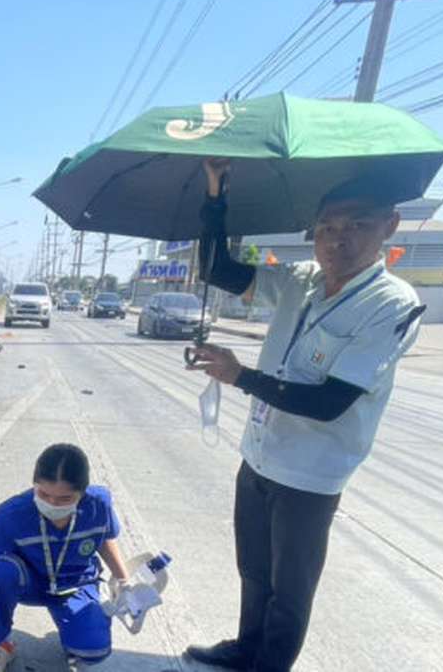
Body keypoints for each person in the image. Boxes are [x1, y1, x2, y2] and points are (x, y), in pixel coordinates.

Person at [183, 158, 425, 672]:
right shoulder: (301, 281)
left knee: (290, 588)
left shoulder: (392, 304)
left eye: (357, 224)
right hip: (259, 455)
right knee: (253, 569)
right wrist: (216, 196)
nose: (338, 240)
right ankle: (246, 649)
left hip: (310, 475)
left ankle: (270, 665)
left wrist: (239, 375)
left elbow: (329, 402)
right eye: (327, 228)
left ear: (390, 226)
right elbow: (218, 270)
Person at [0, 444, 131, 672]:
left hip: (75, 585)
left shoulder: (98, 505)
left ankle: (78, 626)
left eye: (64, 499)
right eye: (43, 494)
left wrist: (123, 582)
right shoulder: (12, 513)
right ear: (34, 484)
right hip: (31, 582)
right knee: (2, 570)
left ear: (82, 492)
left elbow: (104, 537)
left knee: (94, 652)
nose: (52, 504)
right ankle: (1, 642)